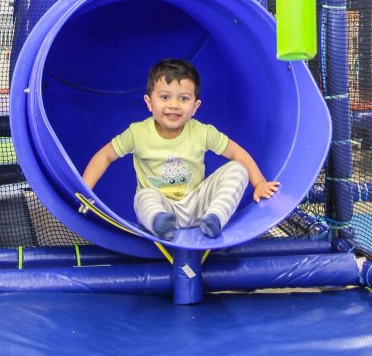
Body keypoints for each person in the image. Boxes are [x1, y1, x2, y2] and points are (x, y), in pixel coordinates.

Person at [82, 58, 280, 241]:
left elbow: (237, 153)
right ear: (149, 103)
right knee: (144, 196)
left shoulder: (202, 132)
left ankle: (215, 218)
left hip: (198, 203)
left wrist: (259, 182)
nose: (174, 105)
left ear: (195, 106)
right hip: (161, 206)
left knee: (238, 169)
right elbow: (105, 156)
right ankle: (160, 223)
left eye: (184, 99)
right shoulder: (137, 133)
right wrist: (84, 190)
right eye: (165, 97)